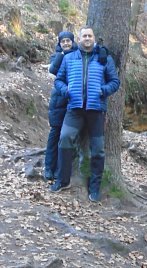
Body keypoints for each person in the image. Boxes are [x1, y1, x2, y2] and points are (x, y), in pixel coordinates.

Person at [51, 25, 120, 203]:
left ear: (94, 38)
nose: (87, 39)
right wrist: (65, 91)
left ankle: (95, 187)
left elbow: (115, 82)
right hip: (74, 108)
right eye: (84, 36)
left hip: (96, 109)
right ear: (79, 39)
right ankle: (63, 179)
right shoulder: (69, 58)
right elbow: (58, 80)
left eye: (90, 36)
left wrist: (102, 90)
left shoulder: (104, 58)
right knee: (65, 138)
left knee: (98, 148)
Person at [44, 31, 78, 181]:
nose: (65, 43)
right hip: (58, 101)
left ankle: (60, 170)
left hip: (72, 102)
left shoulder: (78, 55)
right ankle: (48, 168)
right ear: (59, 43)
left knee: (67, 138)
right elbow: (53, 70)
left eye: (68, 41)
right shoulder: (57, 56)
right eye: (62, 41)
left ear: (73, 41)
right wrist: (62, 54)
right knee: (54, 136)